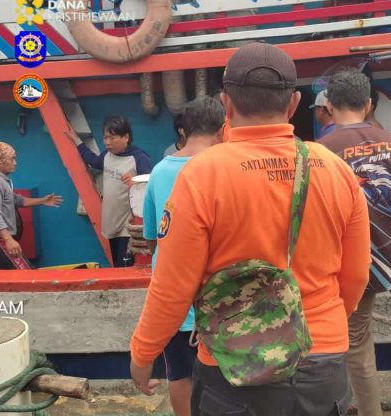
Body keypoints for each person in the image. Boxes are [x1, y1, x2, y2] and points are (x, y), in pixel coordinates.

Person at [129, 42, 370, 415]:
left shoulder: (201, 176)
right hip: (322, 356)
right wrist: (325, 321)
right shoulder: (334, 169)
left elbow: (172, 286)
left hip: (233, 362)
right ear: (293, 104)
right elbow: (356, 275)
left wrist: (143, 353)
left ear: (226, 104)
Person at [319, 71, 391, 416]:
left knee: (357, 345)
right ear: (369, 104)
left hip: (352, 260)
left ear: (329, 106)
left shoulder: (321, 152)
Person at [143, 96, 225, 416]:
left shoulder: (159, 172)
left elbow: (153, 239)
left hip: (174, 302)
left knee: (179, 375)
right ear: (222, 129)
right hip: (223, 300)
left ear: (183, 130)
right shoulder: (226, 168)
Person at [67, 116, 152, 267]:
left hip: (128, 225)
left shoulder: (139, 157)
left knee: (124, 268)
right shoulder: (107, 155)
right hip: (110, 222)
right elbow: (92, 161)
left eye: (112, 138)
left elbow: (152, 182)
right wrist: (77, 140)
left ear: (126, 137)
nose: (107, 142)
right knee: (117, 266)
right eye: (105, 138)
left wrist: (137, 178)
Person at [0, 142, 62, 269]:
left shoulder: (0, 181)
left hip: (0, 240)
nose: (15, 163)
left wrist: (42, 201)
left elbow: (17, 200)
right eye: (12, 159)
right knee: (26, 275)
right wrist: (8, 239)